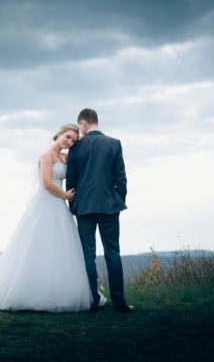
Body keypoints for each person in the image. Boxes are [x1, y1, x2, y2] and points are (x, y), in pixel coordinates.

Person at [0, 124, 101, 312]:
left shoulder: (65, 157)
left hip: (59, 207)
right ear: (59, 134)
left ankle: (59, 292)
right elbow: (47, 183)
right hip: (46, 203)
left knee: (60, 248)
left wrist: (82, 144)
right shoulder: (46, 155)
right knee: (39, 245)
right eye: (67, 137)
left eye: (73, 140)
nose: (69, 142)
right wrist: (65, 196)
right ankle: (31, 293)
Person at [66, 108, 133, 312]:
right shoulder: (114, 143)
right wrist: (117, 202)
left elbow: (71, 181)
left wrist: (74, 206)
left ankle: (92, 300)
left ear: (83, 123)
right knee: (113, 252)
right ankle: (119, 302)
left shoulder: (76, 147)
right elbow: (121, 179)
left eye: (79, 126)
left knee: (88, 254)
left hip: (84, 207)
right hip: (108, 207)